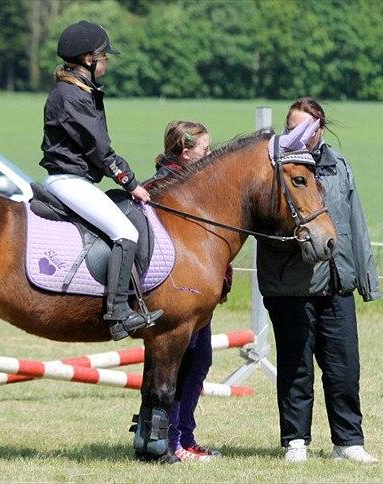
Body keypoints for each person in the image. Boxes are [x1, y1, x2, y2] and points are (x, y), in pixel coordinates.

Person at [257, 97, 381, 463]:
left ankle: (348, 441)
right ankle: (295, 440)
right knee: (296, 365)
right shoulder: (273, 166)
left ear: (320, 130)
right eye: (292, 126)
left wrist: (365, 278)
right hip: (291, 285)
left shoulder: (339, 165)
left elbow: (354, 222)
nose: (300, 134)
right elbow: (261, 223)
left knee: (344, 367)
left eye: (307, 127)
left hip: (337, 282)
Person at [39, 20, 162, 341]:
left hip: (73, 180)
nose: (106, 61)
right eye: (104, 56)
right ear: (88, 59)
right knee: (125, 231)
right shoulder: (73, 97)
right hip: (69, 181)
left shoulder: (78, 92)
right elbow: (101, 151)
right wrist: (132, 184)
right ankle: (118, 311)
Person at [145, 121, 233, 462]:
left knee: (199, 360)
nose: (210, 156)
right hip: (177, 293)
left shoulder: (194, 187)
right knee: (185, 363)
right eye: (205, 150)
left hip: (196, 293)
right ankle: (175, 440)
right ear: (185, 152)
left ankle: (185, 436)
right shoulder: (167, 188)